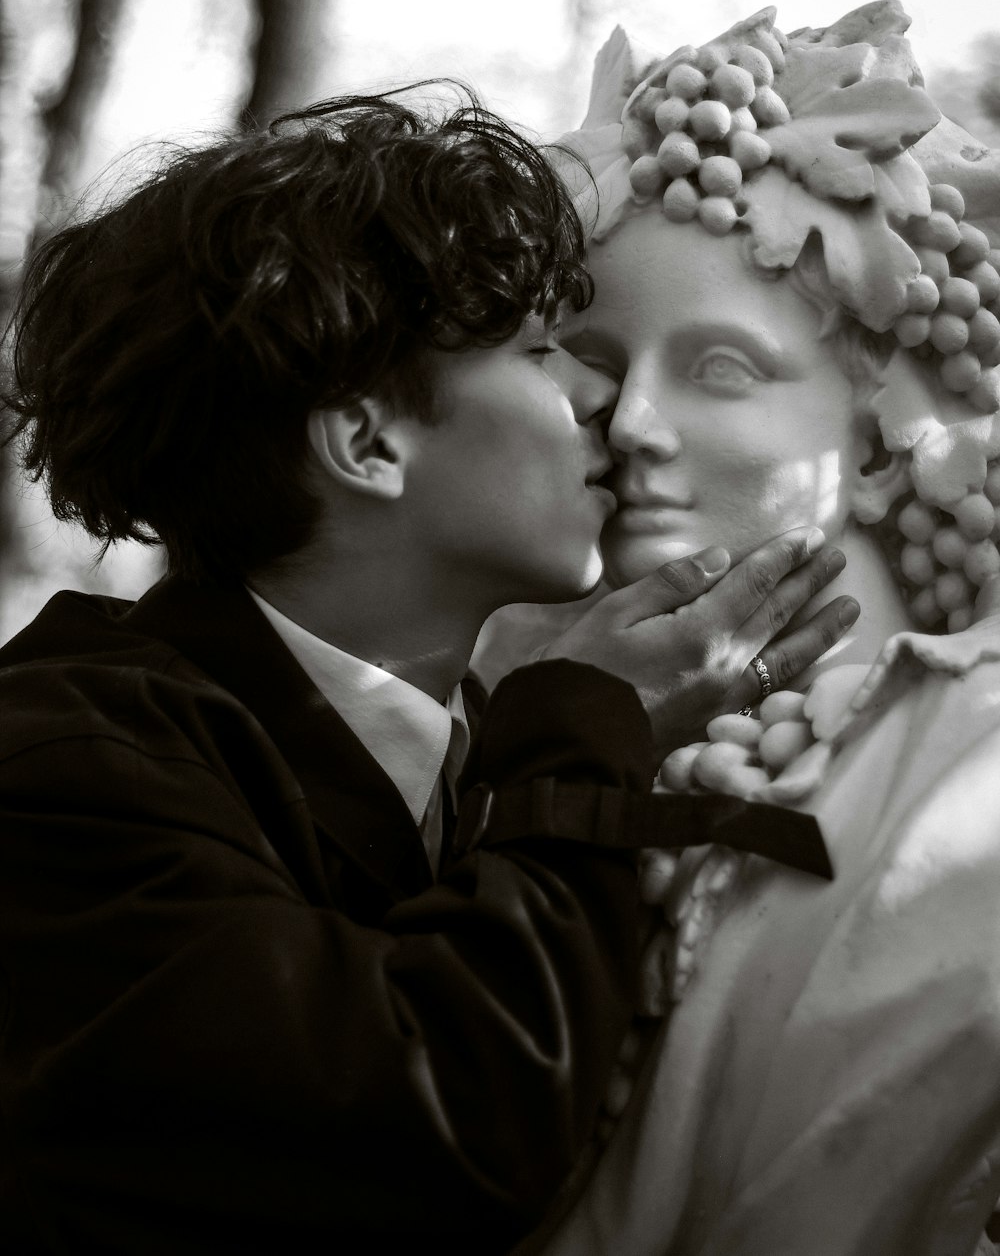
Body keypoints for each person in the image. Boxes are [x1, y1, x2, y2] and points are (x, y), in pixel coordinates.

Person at [0, 86, 851, 1255]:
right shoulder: (54, 768)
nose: (605, 402)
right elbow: (433, 1132)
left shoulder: (468, 748)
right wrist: (575, 734)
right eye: (544, 352)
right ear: (366, 442)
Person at [473, 3, 1000, 1256]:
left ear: (882, 448)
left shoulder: (966, 766)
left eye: (716, 371)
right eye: (597, 371)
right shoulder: (498, 760)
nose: (631, 429)